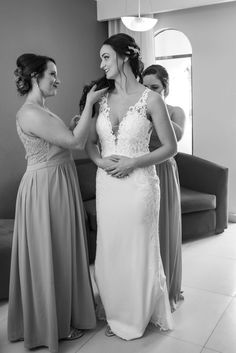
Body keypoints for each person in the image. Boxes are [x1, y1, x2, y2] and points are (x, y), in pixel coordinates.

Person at [8, 53, 107, 353]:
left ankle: (67, 313)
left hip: (58, 182)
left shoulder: (43, 110)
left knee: (63, 250)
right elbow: (76, 143)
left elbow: (65, 139)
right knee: (51, 252)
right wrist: (89, 103)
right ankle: (54, 324)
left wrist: (77, 122)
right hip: (45, 188)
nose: (57, 80)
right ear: (35, 77)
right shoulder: (29, 112)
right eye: (52, 74)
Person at [85, 33, 177, 340]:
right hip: (107, 185)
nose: (101, 64)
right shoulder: (100, 97)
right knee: (110, 248)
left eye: (106, 57)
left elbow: (170, 147)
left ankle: (135, 315)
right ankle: (115, 310)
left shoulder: (152, 99)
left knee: (136, 248)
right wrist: (98, 162)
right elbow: (90, 143)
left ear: (124, 56)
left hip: (139, 185)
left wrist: (133, 162)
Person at [142, 64, 186, 311]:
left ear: (166, 88)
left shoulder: (175, 111)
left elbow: (176, 136)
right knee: (145, 233)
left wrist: (156, 113)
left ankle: (166, 289)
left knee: (164, 229)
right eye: (145, 87)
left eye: (155, 87)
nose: (149, 92)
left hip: (164, 173)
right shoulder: (137, 111)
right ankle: (145, 290)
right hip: (142, 173)